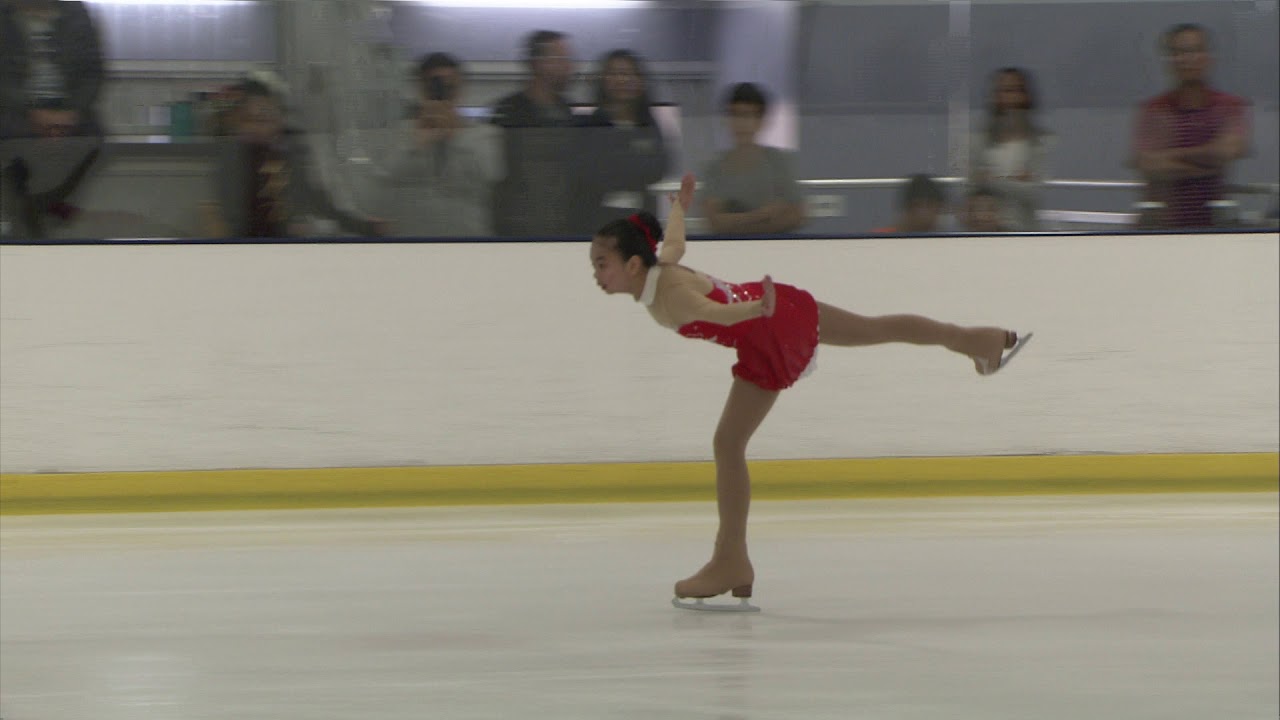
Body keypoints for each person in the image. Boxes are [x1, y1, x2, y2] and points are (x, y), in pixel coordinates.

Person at [590, 174, 1031, 610]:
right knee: (876, 328)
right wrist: (681, 209)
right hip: (781, 309)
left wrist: (753, 309)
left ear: (632, 264)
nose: (596, 273)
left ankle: (731, 560)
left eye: (601, 263)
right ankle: (981, 340)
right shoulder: (661, 270)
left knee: (728, 443)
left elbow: (714, 313)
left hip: (766, 331)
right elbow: (675, 245)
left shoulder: (669, 298)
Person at [206, 78, 385, 238]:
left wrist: (363, 226)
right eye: (249, 119)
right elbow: (231, 218)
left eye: (266, 118)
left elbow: (315, 200)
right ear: (238, 122)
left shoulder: (288, 152)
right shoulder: (233, 157)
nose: (257, 128)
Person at [0, 0, 105, 239]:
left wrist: (72, 112)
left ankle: (38, 206)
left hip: (69, 109)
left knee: (94, 139)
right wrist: (33, 112)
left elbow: (93, 71)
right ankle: (32, 211)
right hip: (15, 110)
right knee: (18, 144)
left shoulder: (76, 12)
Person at [1130, 23, 1250, 229]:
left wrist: (1170, 158)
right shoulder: (1155, 109)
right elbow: (1148, 162)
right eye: (1178, 53)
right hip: (1161, 228)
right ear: (1169, 61)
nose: (1187, 60)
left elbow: (1227, 151)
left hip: (1215, 227)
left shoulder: (1229, 106)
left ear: (1208, 57)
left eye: (1194, 51)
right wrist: (1206, 160)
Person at [377, 52, 500, 237]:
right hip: (412, 243)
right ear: (421, 89)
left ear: (461, 89)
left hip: (468, 240)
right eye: (434, 87)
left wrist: (456, 135)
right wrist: (416, 145)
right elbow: (384, 178)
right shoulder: (400, 134)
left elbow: (490, 176)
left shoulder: (484, 134)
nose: (444, 95)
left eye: (450, 87)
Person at [490, 30, 578, 237]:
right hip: (518, 230)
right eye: (562, 59)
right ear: (539, 63)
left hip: (563, 226)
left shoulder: (567, 112)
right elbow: (496, 175)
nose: (569, 67)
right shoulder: (509, 112)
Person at [574, 49, 669, 233]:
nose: (622, 80)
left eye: (628, 73)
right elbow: (589, 172)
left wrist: (619, 162)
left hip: (641, 218)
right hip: (597, 220)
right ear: (603, 80)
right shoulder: (590, 125)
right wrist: (632, 160)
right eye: (614, 73)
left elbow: (659, 168)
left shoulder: (648, 125)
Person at [700, 82, 806, 235]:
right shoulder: (715, 168)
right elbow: (715, 223)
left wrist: (736, 222)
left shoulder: (778, 162)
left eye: (748, 116)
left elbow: (796, 215)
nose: (742, 123)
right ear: (726, 120)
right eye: (736, 115)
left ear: (761, 121)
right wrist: (764, 215)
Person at [970, 68, 1052, 231]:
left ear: (1025, 96)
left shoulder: (1041, 143)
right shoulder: (979, 142)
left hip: (1026, 233)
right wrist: (1015, 180)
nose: (1009, 99)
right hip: (985, 234)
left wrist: (993, 180)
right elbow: (972, 188)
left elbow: (1036, 192)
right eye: (1003, 91)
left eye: (1014, 91)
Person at [873, 174, 948, 234]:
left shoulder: (947, 241)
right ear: (908, 208)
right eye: (918, 205)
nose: (924, 212)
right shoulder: (880, 239)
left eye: (930, 205)